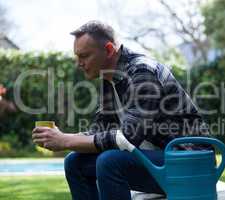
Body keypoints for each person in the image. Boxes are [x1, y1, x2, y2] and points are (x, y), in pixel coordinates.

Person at [32, 20, 212, 200]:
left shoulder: (142, 71)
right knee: (75, 161)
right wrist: (61, 137)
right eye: (77, 56)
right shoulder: (109, 80)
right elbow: (100, 132)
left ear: (109, 50)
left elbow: (128, 138)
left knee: (110, 161)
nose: (79, 63)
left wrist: (65, 141)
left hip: (191, 164)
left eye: (84, 56)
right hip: (162, 163)